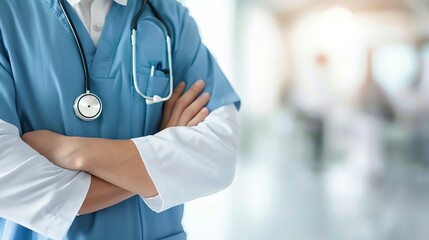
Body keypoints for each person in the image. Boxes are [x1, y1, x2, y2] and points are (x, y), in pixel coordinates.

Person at [0, 0, 240, 239]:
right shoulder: (7, 14)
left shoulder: (167, 15)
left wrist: (77, 152)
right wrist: (159, 156)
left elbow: (218, 154)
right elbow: (9, 179)